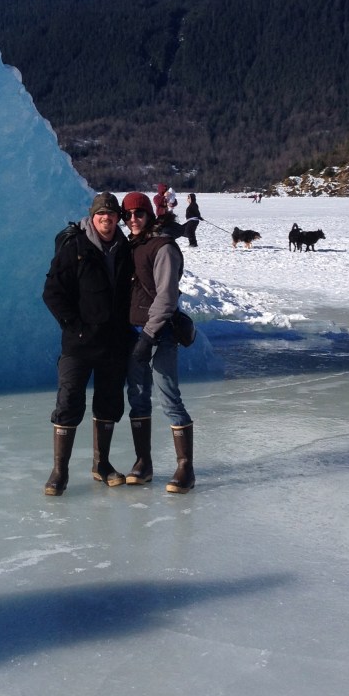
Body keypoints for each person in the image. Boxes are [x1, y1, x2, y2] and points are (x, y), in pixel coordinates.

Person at [41, 192, 135, 495]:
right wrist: (75, 327)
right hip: (78, 345)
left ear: (118, 217)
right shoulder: (75, 247)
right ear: (92, 218)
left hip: (113, 343)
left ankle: (101, 464)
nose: (106, 219)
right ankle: (60, 471)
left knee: (109, 404)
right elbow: (53, 292)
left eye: (111, 215)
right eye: (101, 215)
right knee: (68, 403)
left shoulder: (125, 249)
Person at [120, 191, 195, 493]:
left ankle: (185, 468)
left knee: (169, 397)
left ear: (149, 215)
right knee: (137, 398)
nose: (134, 219)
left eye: (139, 213)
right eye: (128, 215)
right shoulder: (132, 246)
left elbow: (166, 296)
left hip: (158, 333)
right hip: (134, 331)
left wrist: (149, 335)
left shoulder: (163, 247)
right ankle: (143, 462)